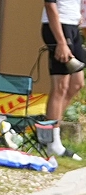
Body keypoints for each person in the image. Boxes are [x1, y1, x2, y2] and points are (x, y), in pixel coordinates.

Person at [41, 0, 84, 160]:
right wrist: (61, 42)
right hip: (57, 27)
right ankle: (52, 143)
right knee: (61, 86)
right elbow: (49, 5)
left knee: (77, 83)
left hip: (72, 26)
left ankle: (46, 131)